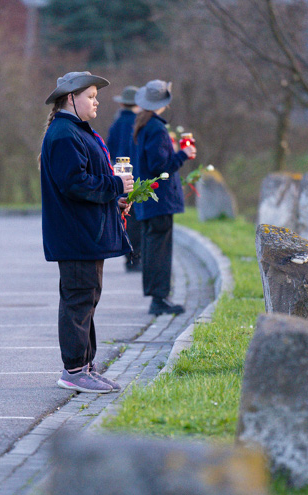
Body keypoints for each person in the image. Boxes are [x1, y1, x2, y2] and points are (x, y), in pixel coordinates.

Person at [40, 71, 134, 394]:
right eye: (91, 96)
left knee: (87, 299)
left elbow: (87, 183)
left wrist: (115, 200)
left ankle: (85, 366)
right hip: (76, 236)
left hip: (85, 234)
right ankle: (74, 370)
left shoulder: (74, 130)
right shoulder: (65, 134)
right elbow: (75, 184)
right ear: (71, 98)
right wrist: (115, 185)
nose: (96, 102)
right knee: (79, 301)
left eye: (96, 97)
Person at [132, 79, 196, 315]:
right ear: (164, 103)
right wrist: (182, 155)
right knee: (159, 251)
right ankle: (159, 300)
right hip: (160, 200)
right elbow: (161, 167)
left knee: (151, 249)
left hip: (148, 200)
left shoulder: (143, 125)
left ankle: (156, 298)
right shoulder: (157, 128)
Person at [106, 85, 143, 272]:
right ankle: (137, 258)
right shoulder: (140, 122)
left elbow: (108, 149)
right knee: (138, 219)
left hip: (121, 175)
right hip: (138, 176)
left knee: (126, 217)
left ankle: (129, 258)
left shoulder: (117, 123)